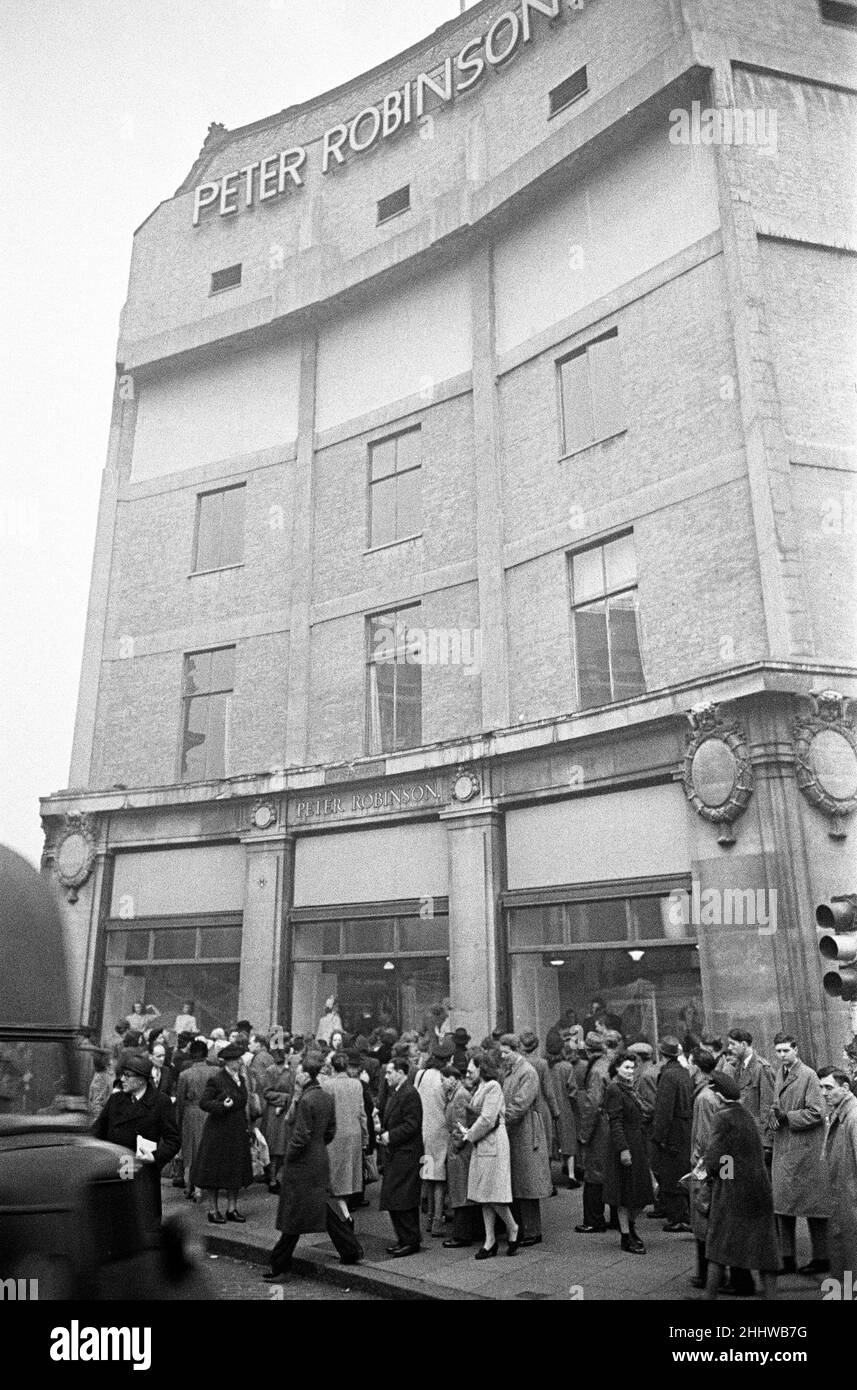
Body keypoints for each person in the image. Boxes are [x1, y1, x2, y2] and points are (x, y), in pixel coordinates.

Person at [264, 1052, 363, 1280]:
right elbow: (331, 1130)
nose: (296, 1074)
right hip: (319, 1156)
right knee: (323, 1206)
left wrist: (290, 1157)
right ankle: (350, 1249)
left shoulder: (306, 1100)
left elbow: (300, 1135)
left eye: (299, 1071)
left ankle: (280, 1263)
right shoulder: (325, 1097)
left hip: (302, 1162)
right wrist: (319, 1144)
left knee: (294, 1213)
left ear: (306, 1075)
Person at [702, 1071, 780, 1300]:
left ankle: (709, 1297)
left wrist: (712, 1175)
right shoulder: (746, 1115)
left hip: (733, 1193)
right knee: (765, 1250)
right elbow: (739, 1155)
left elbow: (715, 1159)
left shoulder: (722, 1117)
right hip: (759, 1190)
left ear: (718, 1096)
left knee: (719, 1248)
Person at [92, 1051, 179, 1232]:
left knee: (141, 1225)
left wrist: (155, 1156)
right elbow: (97, 1131)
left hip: (142, 1172)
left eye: (127, 1075)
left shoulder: (160, 1102)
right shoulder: (116, 1099)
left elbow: (173, 1140)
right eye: (122, 1074)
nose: (122, 1079)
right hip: (114, 1169)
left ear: (141, 1080)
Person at [767, 1032, 831, 1275]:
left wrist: (787, 1117)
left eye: (786, 1050)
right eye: (778, 1051)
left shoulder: (808, 1075)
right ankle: (787, 1258)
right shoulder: (780, 1073)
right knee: (782, 1206)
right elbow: (777, 1104)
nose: (782, 1055)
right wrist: (773, 1115)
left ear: (796, 1049)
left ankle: (822, 1257)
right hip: (786, 1147)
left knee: (814, 1208)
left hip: (805, 1150)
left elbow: (817, 1112)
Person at [458, 1050, 520, 1258]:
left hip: (492, 1144)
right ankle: (490, 1240)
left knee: (492, 1194)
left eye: (471, 1070)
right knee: (485, 1195)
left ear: (481, 1068)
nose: (468, 1074)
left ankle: (512, 1227)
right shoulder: (482, 1087)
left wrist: (469, 1135)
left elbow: (487, 1119)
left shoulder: (492, 1087)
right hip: (484, 1143)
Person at [499, 1034, 552, 1245]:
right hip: (515, 1130)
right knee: (519, 1182)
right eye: (501, 1052)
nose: (503, 1056)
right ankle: (521, 1228)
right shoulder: (512, 1071)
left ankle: (532, 1231)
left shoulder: (527, 1072)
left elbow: (521, 1104)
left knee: (528, 1183)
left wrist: (501, 1120)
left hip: (526, 1131)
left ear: (516, 1050)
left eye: (506, 1052)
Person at [191, 1043, 253, 1224]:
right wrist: (221, 1106)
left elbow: (244, 1102)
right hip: (218, 1132)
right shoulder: (217, 1079)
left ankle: (232, 1209)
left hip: (237, 1130)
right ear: (229, 1062)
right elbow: (204, 1102)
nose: (241, 1062)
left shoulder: (240, 1079)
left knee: (235, 1170)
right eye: (238, 1060)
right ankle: (213, 1210)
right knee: (215, 1173)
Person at [603, 1050, 653, 1254]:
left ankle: (630, 1227)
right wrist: (623, 1149)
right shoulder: (615, 1089)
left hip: (637, 1143)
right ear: (617, 1068)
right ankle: (626, 1235)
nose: (631, 1071)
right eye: (626, 1067)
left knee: (641, 1192)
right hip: (624, 1144)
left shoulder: (630, 1088)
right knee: (625, 1193)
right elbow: (615, 1122)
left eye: (633, 1067)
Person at [378, 1057, 424, 1256]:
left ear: (401, 1073)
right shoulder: (399, 1092)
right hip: (398, 1153)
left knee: (402, 1199)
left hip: (406, 1155)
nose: (386, 1076)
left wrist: (390, 1136)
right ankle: (404, 1238)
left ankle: (410, 1240)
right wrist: (384, 1131)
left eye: (390, 1072)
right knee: (396, 1198)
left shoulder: (409, 1094)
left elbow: (412, 1124)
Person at [817, 1066, 857, 1284]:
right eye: (821, 1087)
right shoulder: (838, 1114)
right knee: (844, 1251)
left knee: (851, 1253)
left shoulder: (853, 1117)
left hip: (851, 1199)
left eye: (829, 1087)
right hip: (842, 1198)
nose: (824, 1093)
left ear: (845, 1087)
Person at [651, 1036, 693, 1232]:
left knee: (670, 1174)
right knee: (682, 1170)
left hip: (673, 1131)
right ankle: (685, 1215)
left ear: (662, 1054)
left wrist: (659, 1136)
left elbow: (664, 1110)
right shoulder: (684, 1072)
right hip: (685, 1128)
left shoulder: (668, 1075)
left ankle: (678, 1218)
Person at [688, 1050, 722, 1289]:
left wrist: (699, 1166)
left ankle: (706, 1276)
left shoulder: (703, 1097)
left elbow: (704, 1136)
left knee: (703, 1217)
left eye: (690, 1065)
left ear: (697, 1068)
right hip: (716, 1163)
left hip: (705, 1165)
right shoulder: (712, 1092)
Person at [322, 1051, 369, 1219]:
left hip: (334, 1135)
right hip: (354, 1133)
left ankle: (343, 1216)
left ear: (332, 1067)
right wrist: (365, 1137)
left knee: (335, 1176)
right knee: (349, 1175)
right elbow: (362, 1113)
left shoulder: (327, 1085)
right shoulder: (357, 1085)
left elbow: (325, 1113)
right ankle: (344, 1211)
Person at [415, 1037, 453, 1236]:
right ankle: (438, 1219)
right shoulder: (444, 1079)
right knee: (439, 1179)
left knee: (428, 1175)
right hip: (440, 1131)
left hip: (424, 1130)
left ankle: (430, 1216)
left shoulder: (420, 1075)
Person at [718, 1029, 774, 1164]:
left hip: (757, 1139)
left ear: (743, 1044)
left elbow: (768, 1107)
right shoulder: (738, 1067)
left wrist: (766, 1144)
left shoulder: (761, 1068)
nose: (729, 1048)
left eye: (732, 1044)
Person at [575, 1033, 612, 1233]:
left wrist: (584, 1134)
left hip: (600, 1128)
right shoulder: (608, 1064)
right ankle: (616, 1218)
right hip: (610, 1124)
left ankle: (594, 1219)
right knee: (611, 1173)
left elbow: (592, 1104)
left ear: (588, 1051)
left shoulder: (596, 1070)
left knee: (594, 1174)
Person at [442, 1064, 481, 1248]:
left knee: (460, 1191)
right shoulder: (459, 1094)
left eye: (443, 1080)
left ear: (452, 1079)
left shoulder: (459, 1096)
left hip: (460, 1150)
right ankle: (467, 1232)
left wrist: (455, 1146)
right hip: (462, 1149)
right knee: (462, 1190)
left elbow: (460, 1124)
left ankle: (462, 1234)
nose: (441, 1084)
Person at [175, 1039, 217, 1202]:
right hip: (210, 1113)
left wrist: (178, 1122)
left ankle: (191, 1186)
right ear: (206, 1054)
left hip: (191, 1114)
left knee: (191, 1150)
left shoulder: (184, 1075)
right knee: (205, 1150)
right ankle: (201, 1187)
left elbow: (180, 1101)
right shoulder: (215, 1071)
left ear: (191, 1055)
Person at [519, 1030, 559, 1192]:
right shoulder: (542, 1063)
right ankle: (547, 1183)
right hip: (541, 1108)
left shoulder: (520, 1062)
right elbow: (548, 1090)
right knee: (545, 1146)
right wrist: (556, 1111)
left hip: (525, 1107)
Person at [545, 1035, 579, 1188]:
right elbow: (572, 1090)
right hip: (565, 1106)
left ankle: (548, 1179)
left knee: (549, 1142)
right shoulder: (567, 1067)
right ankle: (571, 1175)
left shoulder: (544, 1065)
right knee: (568, 1141)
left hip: (547, 1108)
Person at [262, 1050, 295, 1193]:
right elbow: (266, 1092)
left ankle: (275, 1177)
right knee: (275, 1147)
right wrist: (284, 1099)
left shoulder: (291, 1071)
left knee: (283, 1147)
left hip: (286, 1111)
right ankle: (272, 1179)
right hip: (274, 1114)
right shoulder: (271, 1071)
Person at [87, 1050, 113, 1120]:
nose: (111, 1062)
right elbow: (97, 1103)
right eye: (109, 1060)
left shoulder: (104, 1076)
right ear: (104, 1063)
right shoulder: (101, 1079)